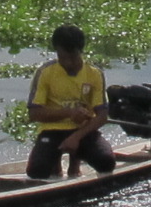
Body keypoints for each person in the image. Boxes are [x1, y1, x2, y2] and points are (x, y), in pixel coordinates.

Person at [25, 25, 116, 181]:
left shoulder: (94, 74)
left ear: (80, 51)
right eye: (62, 57)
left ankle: (75, 164)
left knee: (106, 163)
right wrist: (69, 113)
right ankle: (56, 165)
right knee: (36, 171)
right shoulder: (45, 72)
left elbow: (102, 116)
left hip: (82, 130)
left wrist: (76, 137)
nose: (67, 62)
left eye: (72, 57)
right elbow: (34, 113)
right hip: (52, 130)